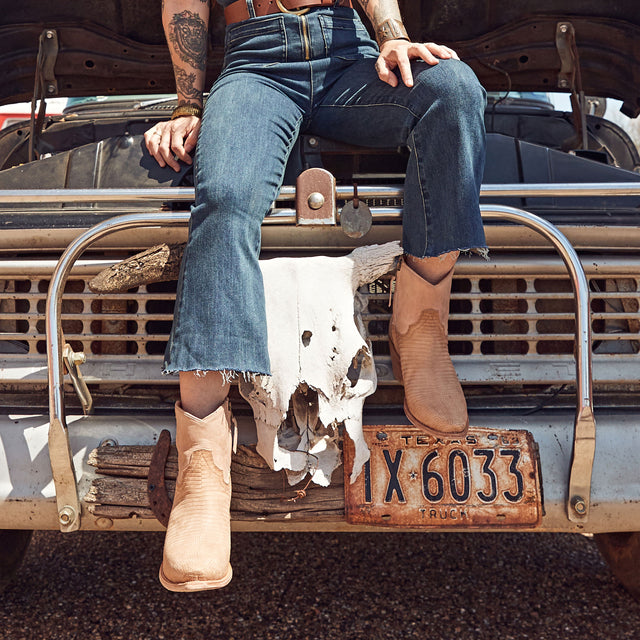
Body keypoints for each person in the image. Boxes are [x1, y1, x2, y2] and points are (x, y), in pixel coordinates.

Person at [144, 0, 487, 592]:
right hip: (256, 63)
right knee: (223, 197)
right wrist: (187, 105)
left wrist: (394, 38)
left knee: (452, 91)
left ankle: (420, 327)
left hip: (348, 52)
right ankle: (203, 458)